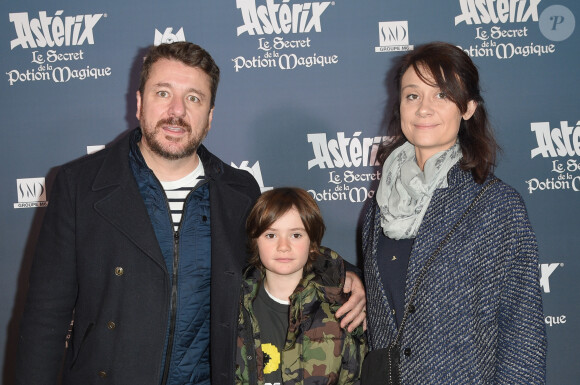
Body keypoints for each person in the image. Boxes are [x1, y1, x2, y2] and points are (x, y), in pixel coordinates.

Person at [15, 42, 366, 385]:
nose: (177, 111)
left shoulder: (239, 190)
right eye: (163, 93)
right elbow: (45, 317)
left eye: (193, 98)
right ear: (139, 103)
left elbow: (282, 249)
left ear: (210, 117)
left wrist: (346, 275)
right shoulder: (79, 185)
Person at [361, 42, 546, 384]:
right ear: (399, 104)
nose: (423, 109)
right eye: (412, 95)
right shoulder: (380, 206)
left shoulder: (497, 206)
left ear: (468, 107)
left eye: (442, 95)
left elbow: (523, 331)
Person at [235, 188, 366, 385]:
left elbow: (356, 376)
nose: (283, 246)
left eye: (296, 235)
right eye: (271, 235)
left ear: (312, 242)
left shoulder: (341, 307)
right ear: (255, 241)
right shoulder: (233, 303)